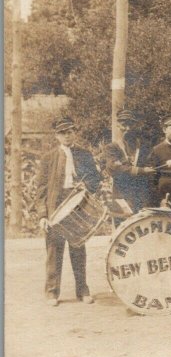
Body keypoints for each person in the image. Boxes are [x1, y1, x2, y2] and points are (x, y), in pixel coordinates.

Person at [35, 117, 102, 306]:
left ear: (74, 132)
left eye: (70, 131)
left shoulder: (84, 154)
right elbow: (41, 189)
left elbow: (96, 180)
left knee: (78, 248)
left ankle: (83, 291)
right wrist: (42, 215)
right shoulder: (48, 157)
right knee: (53, 250)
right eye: (63, 132)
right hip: (55, 207)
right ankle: (52, 293)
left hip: (78, 205)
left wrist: (86, 185)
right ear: (57, 135)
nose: (67, 135)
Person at [103, 109, 154, 220]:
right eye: (124, 125)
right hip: (122, 193)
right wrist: (142, 170)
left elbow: (150, 165)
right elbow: (115, 169)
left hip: (141, 194)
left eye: (130, 124)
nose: (128, 128)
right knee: (122, 228)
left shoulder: (143, 147)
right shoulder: (112, 148)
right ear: (118, 125)